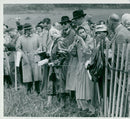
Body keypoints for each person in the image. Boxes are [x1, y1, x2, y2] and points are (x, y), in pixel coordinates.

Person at [107, 13, 130, 116]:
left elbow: (122, 55)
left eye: (108, 23)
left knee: (125, 93)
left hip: (123, 70)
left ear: (111, 23)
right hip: (124, 69)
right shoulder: (122, 31)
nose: (108, 26)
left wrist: (111, 56)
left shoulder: (120, 34)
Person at [74, 26, 95, 115]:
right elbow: (73, 53)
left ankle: (91, 109)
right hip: (80, 66)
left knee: (88, 88)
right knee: (80, 87)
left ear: (86, 32)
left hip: (88, 66)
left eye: (83, 32)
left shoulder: (90, 40)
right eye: (80, 33)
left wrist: (82, 42)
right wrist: (73, 46)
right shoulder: (78, 41)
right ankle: (83, 107)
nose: (82, 34)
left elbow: (88, 51)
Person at [16, 23, 42, 95]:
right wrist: (23, 55)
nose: (28, 31)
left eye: (30, 29)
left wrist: (36, 51)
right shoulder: (21, 38)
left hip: (35, 57)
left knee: (37, 75)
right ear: (24, 30)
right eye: (27, 30)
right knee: (28, 75)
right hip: (26, 57)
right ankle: (29, 90)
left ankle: (37, 91)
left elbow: (41, 46)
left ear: (32, 29)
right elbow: (18, 48)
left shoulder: (37, 36)